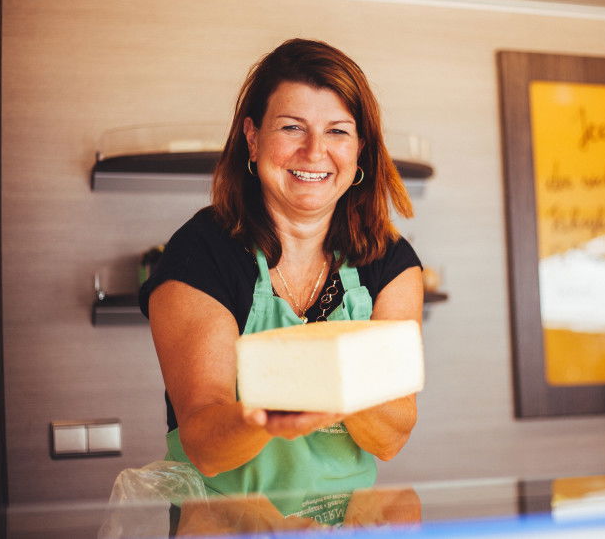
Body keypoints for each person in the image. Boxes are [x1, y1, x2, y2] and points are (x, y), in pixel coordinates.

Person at [139, 38, 423, 516]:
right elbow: (206, 446)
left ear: (360, 150)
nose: (314, 151)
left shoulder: (388, 261)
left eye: (337, 131)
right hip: (227, 520)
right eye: (292, 127)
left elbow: (391, 437)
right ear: (252, 138)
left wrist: (331, 382)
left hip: (348, 521)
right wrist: (271, 416)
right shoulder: (203, 252)